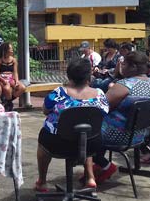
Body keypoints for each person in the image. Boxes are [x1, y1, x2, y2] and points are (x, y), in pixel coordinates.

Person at [36, 58, 109, 191]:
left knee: (44, 137)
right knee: (85, 132)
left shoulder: (59, 93)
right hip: (92, 143)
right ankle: (90, 178)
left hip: (59, 143)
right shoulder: (100, 94)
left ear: (69, 75)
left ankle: (42, 181)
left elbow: (45, 111)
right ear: (89, 76)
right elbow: (105, 113)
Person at [93, 51, 150, 182]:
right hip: (140, 134)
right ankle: (97, 168)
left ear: (133, 66)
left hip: (118, 135)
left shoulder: (124, 86)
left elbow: (99, 107)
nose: (121, 67)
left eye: (123, 64)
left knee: (84, 131)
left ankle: (104, 165)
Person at [0, 42, 27, 111]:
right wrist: (3, 80)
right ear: (6, 50)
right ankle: (9, 103)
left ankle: (7, 101)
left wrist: (17, 81)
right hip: (2, 78)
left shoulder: (14, 60)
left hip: (11, 77)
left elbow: (15, 72)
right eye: (10, 49)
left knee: (22, 87)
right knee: (7, 89)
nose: (12, 50)